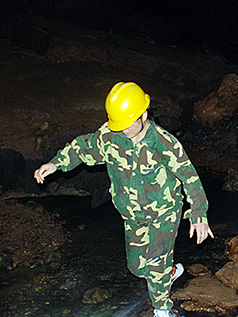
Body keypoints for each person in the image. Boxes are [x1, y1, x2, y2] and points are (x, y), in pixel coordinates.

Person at [34, 82, 214, 317]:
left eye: (128, 123)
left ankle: (163, 309)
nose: (124, 130)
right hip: (132, 214)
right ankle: (168, 272)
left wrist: (199, 216)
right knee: (137, 267)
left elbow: (190, 179)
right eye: (119, 124)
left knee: (154, 265)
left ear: (144, 114)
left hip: (165, 213)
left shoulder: (164, 143)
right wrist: (56, 163)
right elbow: (82, 148)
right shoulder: (111, 136)